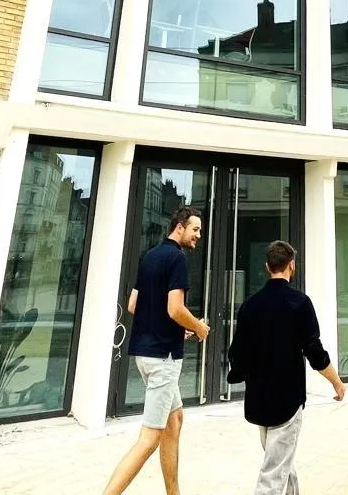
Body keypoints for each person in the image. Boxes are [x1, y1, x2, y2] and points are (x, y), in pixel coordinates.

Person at [104, 207, 210, 495]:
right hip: (164, 359)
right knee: (149, 439)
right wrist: (198, 327)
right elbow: (175, 309)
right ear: (180, 227)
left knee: (174, 420)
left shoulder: (150, 256)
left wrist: (177, 328)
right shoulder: (177, 258)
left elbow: (133, 305)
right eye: (195, 229)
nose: (198, 235)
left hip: (145, 355)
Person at [227, 240, 345, 495]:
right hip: (287, 401)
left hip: (258, 400)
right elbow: (315, 351)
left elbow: (237, 352)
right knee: (273, 475)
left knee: (281, 462)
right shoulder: (299, 303)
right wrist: (336, 382)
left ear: (267, 266)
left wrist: (239, 374)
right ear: (292, 265)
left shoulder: (250, 305)